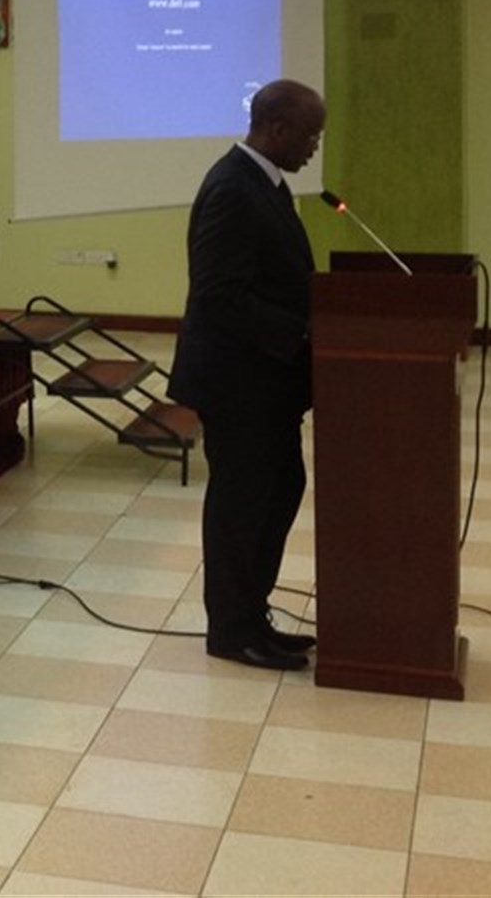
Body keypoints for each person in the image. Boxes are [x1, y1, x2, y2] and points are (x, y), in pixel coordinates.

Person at [168, 79, 328, 672]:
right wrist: (301, 333)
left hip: (268, 381)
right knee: (243, 502)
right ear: (277, 130)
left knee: (280, 488)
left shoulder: (266, 183)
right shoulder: (234, 188)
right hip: (238, 382)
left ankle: (250, 612)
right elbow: (218, 295)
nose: (315, 146)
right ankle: (231, 630)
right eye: (310, 134)